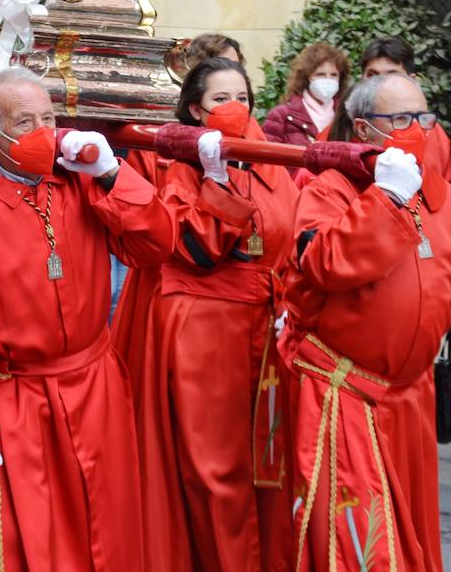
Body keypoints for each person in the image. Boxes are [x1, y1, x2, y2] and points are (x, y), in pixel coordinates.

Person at [286, 73, 451, 572]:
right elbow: (325, 264)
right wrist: (385, 200)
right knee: (363, 547)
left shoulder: (447, 204)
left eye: (424, 118)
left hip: (410, 399)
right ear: (364, 130)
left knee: (408, 534)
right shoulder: (329, 190)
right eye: (401, 119)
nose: (418, 129)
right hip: (346, 393)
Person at [0, 67, 175, 570]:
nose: (43, 132)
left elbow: (154, 245)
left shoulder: (80, 182)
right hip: (17, 402)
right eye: (25, 122)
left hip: (95, 388)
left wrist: (113, 174)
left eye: (49, 118)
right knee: (33, 544)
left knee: (109, 531)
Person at [127, 58, 296, 571]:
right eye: (220, 99)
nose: (234, 109)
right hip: (207, 326)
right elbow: (196, 247)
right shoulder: (181, 167)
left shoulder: (270, 160)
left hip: (265, 328)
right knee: (215, 470)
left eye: (242, 97)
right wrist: (218, 181)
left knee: (265, 468)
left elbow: (291, 236)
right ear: (196, 110)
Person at [354, 36, 451, 181]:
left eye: (392, 76)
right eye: (372, 75)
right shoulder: (338, 128)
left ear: (412, 80)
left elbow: (445, 191)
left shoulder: (435, 134)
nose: (381, 85)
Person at [262, 42, 349, 146]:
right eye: (320, 74)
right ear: (307, 77)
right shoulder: (281, 116)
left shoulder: (347, 115)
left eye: (334, 75)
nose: (328, 79)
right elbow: (268, 157)